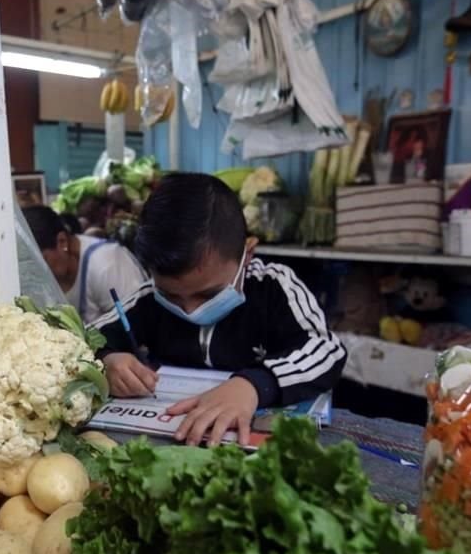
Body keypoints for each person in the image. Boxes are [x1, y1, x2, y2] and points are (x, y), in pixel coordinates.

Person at [93, 173, 346, 447]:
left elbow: (325, 349)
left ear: (247, 254)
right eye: (171, 295)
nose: (190, 308)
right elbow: (80, 340)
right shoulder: (146, 299)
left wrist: (253, 386)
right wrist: (106, 361)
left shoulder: (274, 287)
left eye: (208, 293)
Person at [23, 205, 146, 324]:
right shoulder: (41, 282)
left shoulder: (107, 265)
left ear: (62, 242)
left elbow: (136, 325)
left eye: (42, 261)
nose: (35, 273)